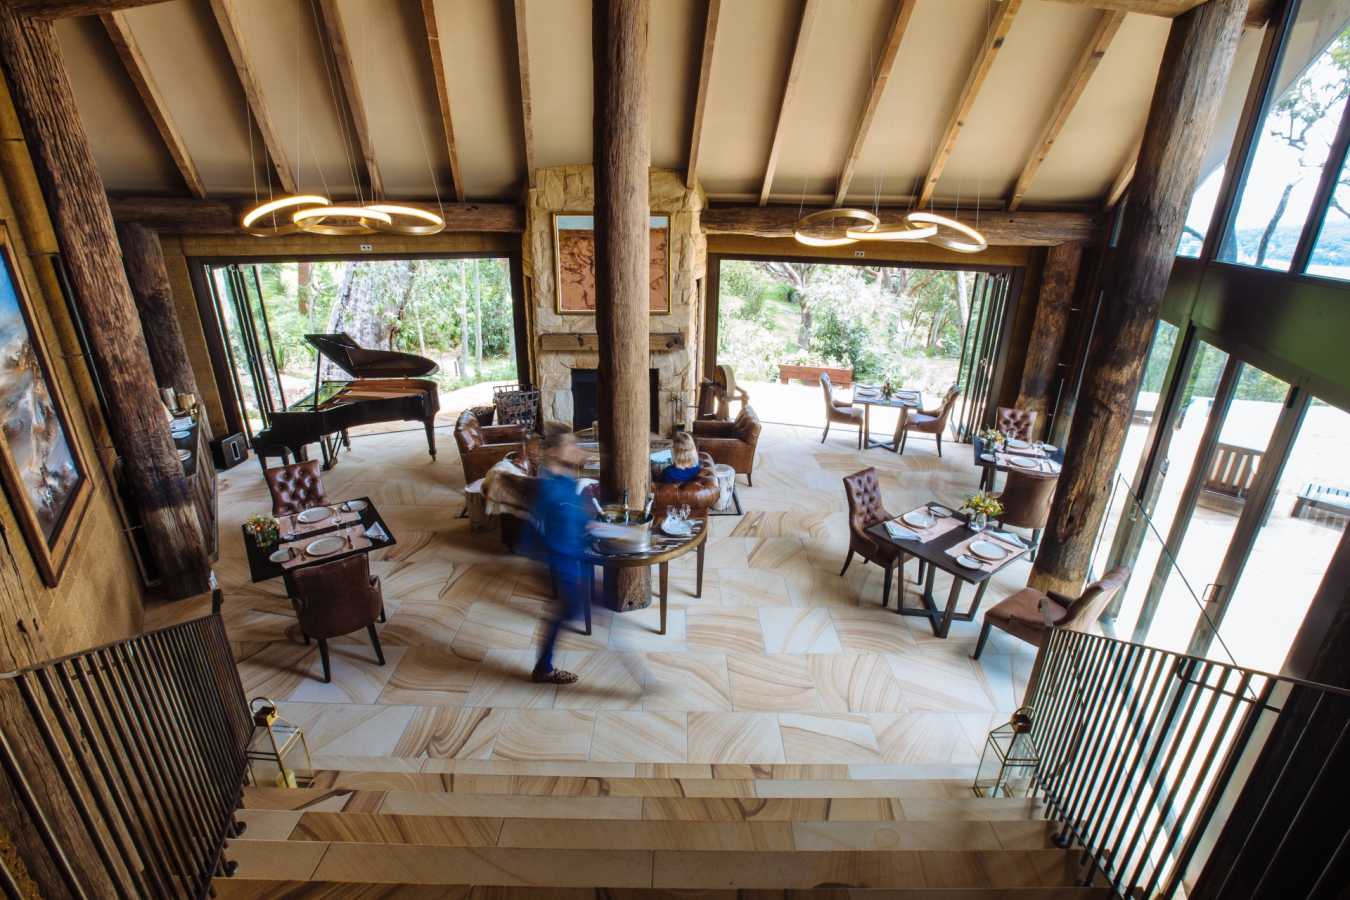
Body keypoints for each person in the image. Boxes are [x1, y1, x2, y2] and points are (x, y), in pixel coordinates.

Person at [528, 428, 591, 684]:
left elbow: (576, 517)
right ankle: (543, 669)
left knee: (569, 612)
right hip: (563, 562)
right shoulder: (547, 489)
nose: (576, 448)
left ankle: (543, 667)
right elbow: (533, 533)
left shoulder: (566, 481)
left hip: (577, 557)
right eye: (570, 444)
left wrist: (591, 525)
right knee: (569, 611)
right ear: (554, 451)